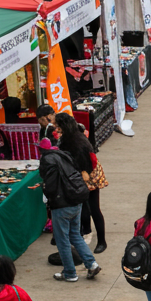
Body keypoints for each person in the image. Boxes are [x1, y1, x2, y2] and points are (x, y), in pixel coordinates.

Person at [39, 134, 102, 280]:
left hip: (62, 205)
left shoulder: (48, 160)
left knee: (63, 241)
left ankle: (69, 273)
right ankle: (92, 264)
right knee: (75, 235)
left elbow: (52, 185)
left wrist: (45, 192)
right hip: (76, 201)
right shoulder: (64, 155)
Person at [55, 112, 107, 253]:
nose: (56, 129)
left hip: (88, 175)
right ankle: (85, 234)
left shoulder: (74, 141)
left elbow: (88, 160)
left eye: (57, 126)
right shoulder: (71, 136)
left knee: (93, 209)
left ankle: (101, 241)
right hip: (82, 175)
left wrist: (84, 175)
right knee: (85, 208)